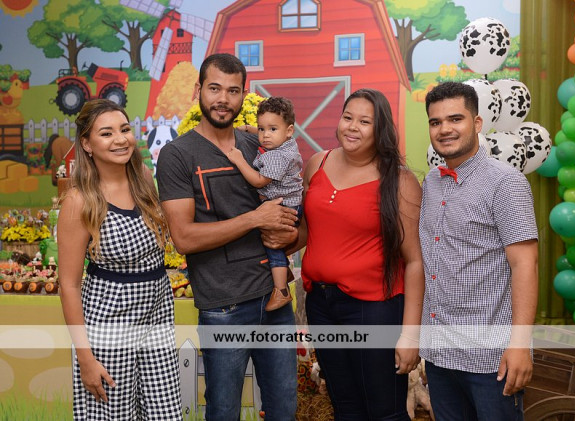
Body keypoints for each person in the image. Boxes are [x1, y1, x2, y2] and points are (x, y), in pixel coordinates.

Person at [155, 53, 298, 421]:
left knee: (284, 408)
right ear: (198, 90)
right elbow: (184, 238)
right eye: (215, 88)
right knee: (223, 411)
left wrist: (290, 233)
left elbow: (289, 214)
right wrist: (255, 219)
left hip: (275, 300)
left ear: (243, 95)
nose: (223, 99)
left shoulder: (258, 146)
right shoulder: (177, 155)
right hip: (224, 307)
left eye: (233, 91)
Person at [275, 88, 425, 420]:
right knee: (345, 407)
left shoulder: (399, 181)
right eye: (347, 117)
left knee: (385, 411)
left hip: (374, 309)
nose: (352, 127)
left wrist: (410, 335)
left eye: (364, 121)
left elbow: (415, 261)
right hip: (322, 305)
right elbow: (307, 231)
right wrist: (266, 243)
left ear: (380, 129)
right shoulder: (317, 163)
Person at [420, 81, 538, 420]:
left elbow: (525, 264)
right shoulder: (431, 183)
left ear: (476, 123)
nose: (444, 129)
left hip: (491, 361)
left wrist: (520, 345)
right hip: (441, 356)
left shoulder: (505, 182)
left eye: (455, 119)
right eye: (435, 122)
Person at [57, 99, 182, 420]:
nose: (120, 139)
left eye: (124, 129)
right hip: (109, 327)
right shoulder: (79, 200)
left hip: (157, 319)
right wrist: (86, 359)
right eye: (106, 133)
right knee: (114, 415)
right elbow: (69, 286)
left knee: (165, 413)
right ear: (87, 144)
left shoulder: (144, 178)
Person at [226, 96, 303, 311]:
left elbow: (259, 181)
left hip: (284, 207)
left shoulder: (277, 156)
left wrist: (239, 160)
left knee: (272, 245)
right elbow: (268, 132)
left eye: (272, 129)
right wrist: (250, 129)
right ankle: (283, 273)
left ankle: (281, 291)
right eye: (261, 129)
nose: (265, 135)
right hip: (290, 202)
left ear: (289, 130)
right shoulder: (287, 143)